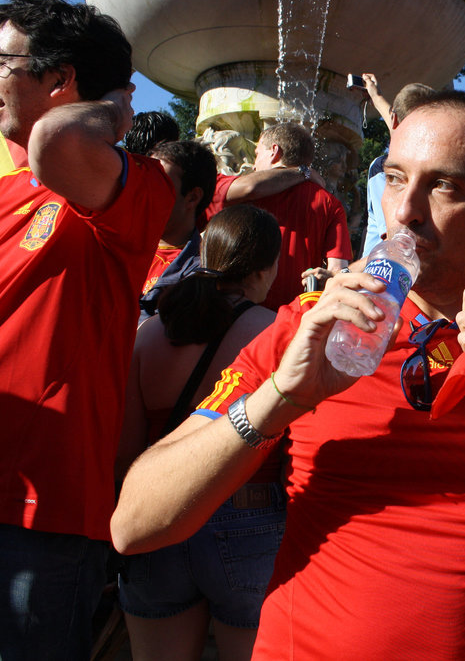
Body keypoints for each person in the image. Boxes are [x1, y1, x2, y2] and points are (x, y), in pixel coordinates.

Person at [112, 90, 465, 659]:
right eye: (393, 177)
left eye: (445, 186)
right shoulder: (310, 328)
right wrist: (280, 397)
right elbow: (136, 524)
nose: (406, 210)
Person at [0, 0, 174, 658]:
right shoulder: (0, 191)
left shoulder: (138, 187)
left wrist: (114, 104)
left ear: (59, 80)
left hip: (36, 515)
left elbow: (60, 140)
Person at [117, 204, 283, 661]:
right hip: (249, 518)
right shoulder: (274, 334)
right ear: (267, 267)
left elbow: (127, 452)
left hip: (158, 519)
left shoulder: (149, 334)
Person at [205, 122, 352, 310]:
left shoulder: (236, 191)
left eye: (257, 154)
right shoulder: (330, 203)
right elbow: (337, 270)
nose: (254, 163)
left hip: (235, 311)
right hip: (292, 318)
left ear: (274, 151)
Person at [139, 140, 218, 323]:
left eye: (158, 184)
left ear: (192, 197)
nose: (145, 191)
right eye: (144, 181)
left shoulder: (198, 277)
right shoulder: (117, 246)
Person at [359, 73, 435, 256]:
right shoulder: (437, 169)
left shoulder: (386, 169)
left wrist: (343, 273)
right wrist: (376, 97)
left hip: (384, 271)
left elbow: (394, 243)